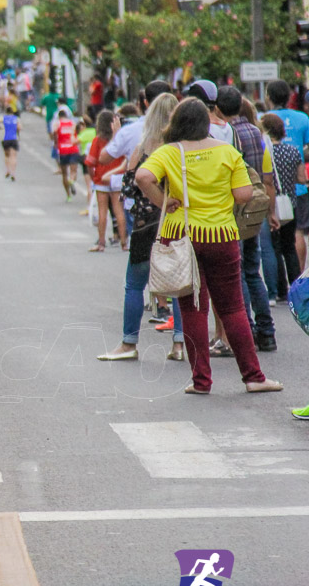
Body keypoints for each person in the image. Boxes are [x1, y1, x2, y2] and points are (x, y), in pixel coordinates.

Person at [134, 98, 283, 395]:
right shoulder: (226, 151)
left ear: (177, 123)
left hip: (181, 236)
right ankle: (253, 376)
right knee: (233, 308)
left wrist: (164, 200)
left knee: (192, 309)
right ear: (205, 123)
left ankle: (201, 381)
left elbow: (142, 177)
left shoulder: (168, 152)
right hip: (221, 236)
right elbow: (243, 195)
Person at [98, 92, 185, 362]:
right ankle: (180, 344)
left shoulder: (143, 148)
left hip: (146, 226)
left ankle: (129, 343)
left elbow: (130, 188)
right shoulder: (183, 149)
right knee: (181, 285)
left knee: (135, 285)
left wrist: (153, 203)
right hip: (179, 225)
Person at [217, 86, 278, 353]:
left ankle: (246, 330)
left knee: (237, 272)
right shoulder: (257, 133)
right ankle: (267, 332)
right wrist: (271, 211)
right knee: (254, 272)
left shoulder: (226, 134)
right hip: (256, 208)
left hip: (234, 208)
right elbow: (267, 177)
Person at [260, 113, 304, 302]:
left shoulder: (266, 151)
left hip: (272, 204)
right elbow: (302, 178)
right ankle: (295, 287)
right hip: (290, 204)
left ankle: (279, 289)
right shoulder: (293, 151)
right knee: (289, 248)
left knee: (274, 248)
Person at [85, 110, 126, 252]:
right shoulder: (119, 139)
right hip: (117, 177)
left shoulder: (97, 141)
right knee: (118, 210)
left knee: (103, 212)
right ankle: (124, 243)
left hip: (101, 179)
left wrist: (93, 178)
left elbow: (90, 162)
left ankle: (101, 242)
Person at [55, 110, 81, 201]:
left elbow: (55, 134)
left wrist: (56, 144)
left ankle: (68, 195)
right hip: (73, 149)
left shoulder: (58, 123)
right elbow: (77, 134)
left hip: (62, 150)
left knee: (64, 173)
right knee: (73, 171)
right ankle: (72, 180)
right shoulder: (72, 123)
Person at [0, 109, 20, 181]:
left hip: (5, 138)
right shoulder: (16, 119)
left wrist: (0, 128)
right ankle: (13, 173)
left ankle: (8, 170)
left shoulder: (3, 118)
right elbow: (20, 127)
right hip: (14, 138)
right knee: (13, 156)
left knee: (6, 155)